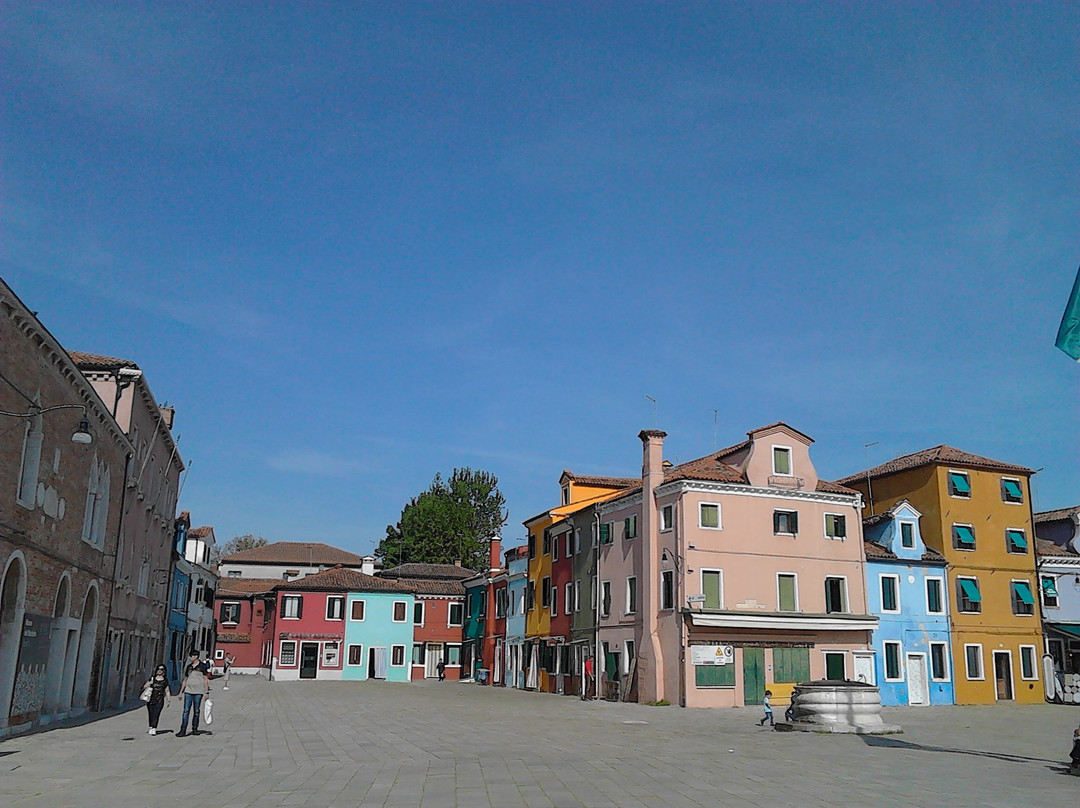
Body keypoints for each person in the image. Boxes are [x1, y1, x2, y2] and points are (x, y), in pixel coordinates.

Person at [178, 652, 211, 737]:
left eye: (191, 656)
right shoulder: (189, 667)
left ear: (196, 656)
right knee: (186, 711)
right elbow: (185, 679)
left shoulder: (202, 666)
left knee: (196, 711)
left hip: (198, 691)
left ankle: (195, 728)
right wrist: (181, 692)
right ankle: (183, 729)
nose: (190, 658)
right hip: (188, 691)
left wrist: (206, 692)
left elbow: (205, 679)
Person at [142, 664, 171, 736]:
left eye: (161, 669)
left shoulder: (165, 680)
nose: (159, 671)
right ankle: (151, 726)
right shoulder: (152, 678)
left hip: (159, 699)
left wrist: (169, 700)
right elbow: (144, 686)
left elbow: (167, 690)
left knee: (156, 714)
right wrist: (149, 683)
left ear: (164, 671)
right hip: (151, 699)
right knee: (151, 713)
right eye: (158, 669)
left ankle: (154, 728)